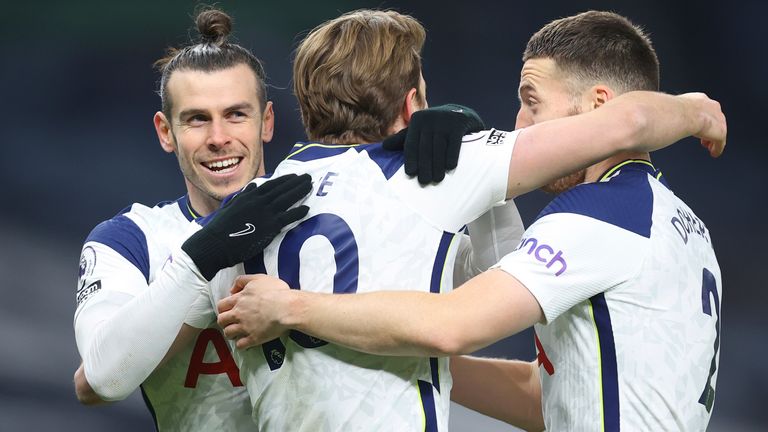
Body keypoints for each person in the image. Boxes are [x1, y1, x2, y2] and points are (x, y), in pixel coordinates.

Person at [211, 9, 726, 431]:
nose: (520, 125)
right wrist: (391, 351)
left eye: (531, 103)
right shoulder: (681, 224)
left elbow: (450, 324)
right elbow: (549, 398)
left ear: (598, 109)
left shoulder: (602, 216)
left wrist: (293, 307)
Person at [72, 8, 313, 431]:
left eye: (236, 114)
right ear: (166, 132)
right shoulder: (130, 240)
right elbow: (98, 381)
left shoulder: (325, 209)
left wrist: (464, 138)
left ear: (267, 121)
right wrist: (206, 254)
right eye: (197, 119)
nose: (219, 138)